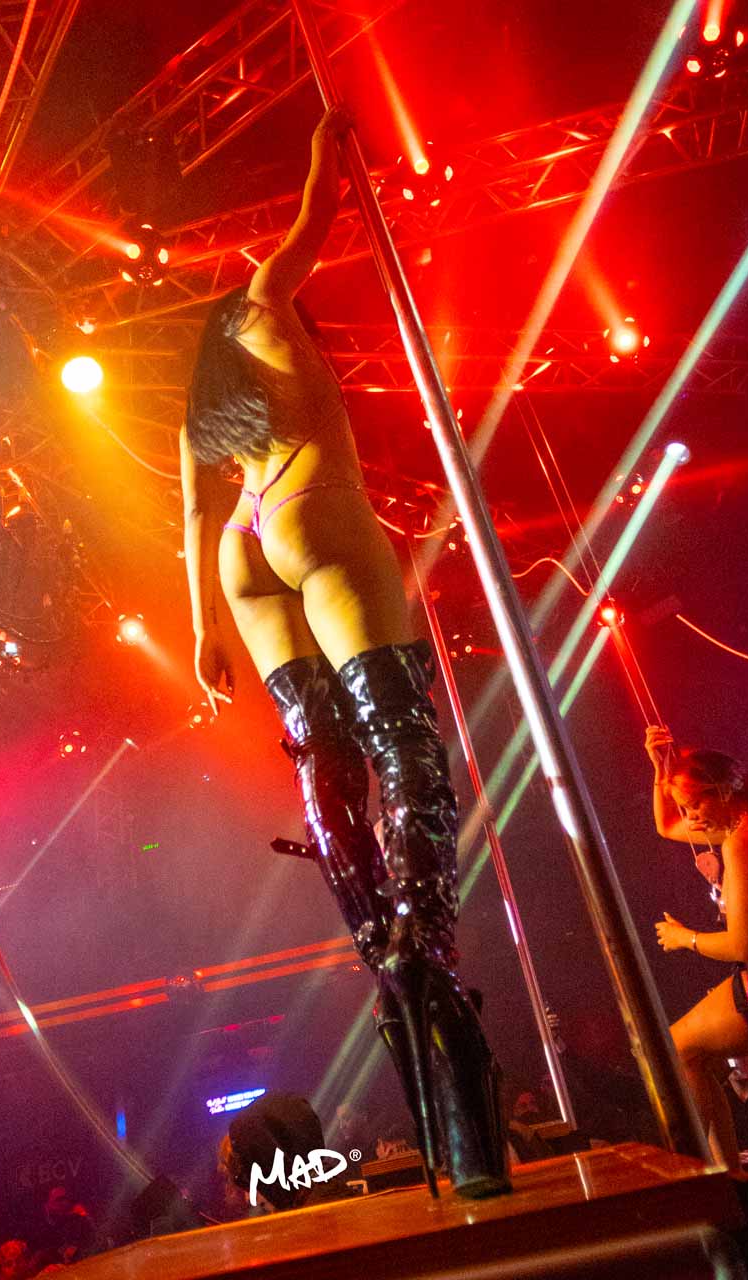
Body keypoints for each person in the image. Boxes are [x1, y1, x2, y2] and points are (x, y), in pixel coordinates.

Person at [181, 103, 508, 1199]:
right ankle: (421, 944)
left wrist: (201, 629)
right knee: (401, 739)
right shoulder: (270, 308)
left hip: (242, 544)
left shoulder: (205, 409)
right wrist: (329, 143)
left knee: (322, 760)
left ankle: (379, 947)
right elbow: (314, 219)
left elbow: (192, 519)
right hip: (310, 510)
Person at [644, 725, 748, 1168]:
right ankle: (728, 1175)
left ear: (723, 791)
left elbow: (743, 945)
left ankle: (703, 1178)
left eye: (695, 805)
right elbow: (666, 826)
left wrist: (684, 938)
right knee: (687, 1052)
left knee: (677, 1050)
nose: (691, 818)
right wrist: (660, 770)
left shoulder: (743, 843)